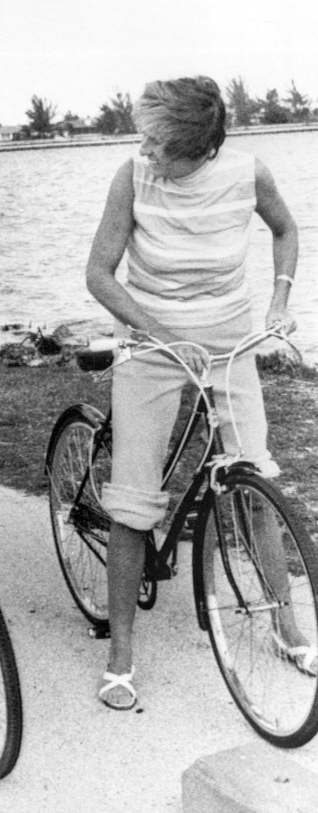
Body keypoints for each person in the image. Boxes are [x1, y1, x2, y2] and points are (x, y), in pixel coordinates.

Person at [85, 76, 306, 710]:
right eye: (146, 137)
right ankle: (120, 652)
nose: (145, 149)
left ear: (200, 148)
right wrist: (157, 334)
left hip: (231, 339)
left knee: (256, 484)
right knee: (132, 501)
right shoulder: (131, 177)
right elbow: (99, 274)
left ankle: (285, 625)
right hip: (153, 343)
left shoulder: (247, 172)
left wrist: (279, 300)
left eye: (159, 143)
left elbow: (286, 231)